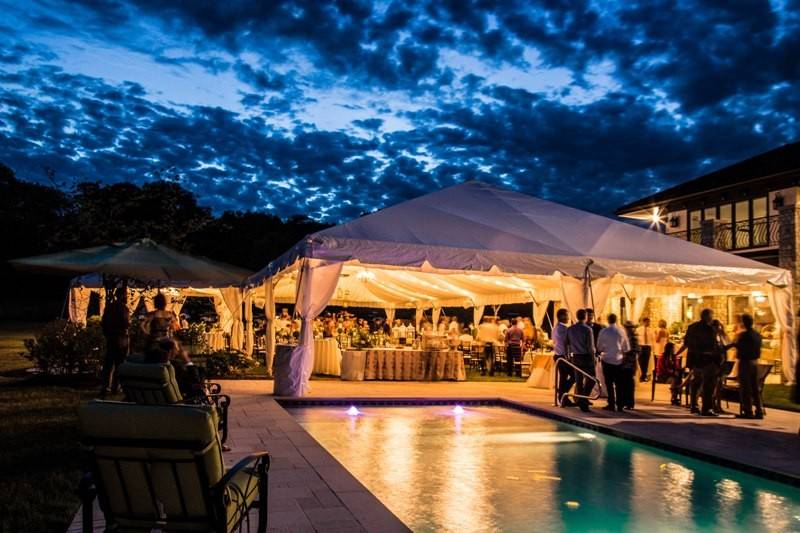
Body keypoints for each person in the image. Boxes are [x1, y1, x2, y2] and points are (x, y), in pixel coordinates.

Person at [683, 309, 720, 416]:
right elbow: (713, 345)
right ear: (708, 317)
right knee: (708, 384)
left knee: (695, 383)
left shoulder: (692, 327)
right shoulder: (710, 329)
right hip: (706, 360)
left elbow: (686, 343)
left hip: (694, 359)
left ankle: (694, 406)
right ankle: (707, 408)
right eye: (711, 316)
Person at [729, 314, 764, 419]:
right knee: (754, 388)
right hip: (755, 362)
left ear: (744, 323)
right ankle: (759, 411)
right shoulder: (757, 335)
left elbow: (738, 346)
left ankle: (748, 411)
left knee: (745, 388)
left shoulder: (744, 335)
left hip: (745, 362)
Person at [100, 286, 131, 397]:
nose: (127, 297)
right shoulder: (123, 309)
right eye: (126, 295)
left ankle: (105, 387)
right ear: (122, 295)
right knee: (119, 364)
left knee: (108, 363)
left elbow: (103, 322)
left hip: (111, 337)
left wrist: (107, 333)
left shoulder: (109, 307)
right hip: (121, 338)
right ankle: (116, 387)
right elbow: (126, 323)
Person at [596, 314, 630, 412]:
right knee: (619, 383)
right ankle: (620, 404)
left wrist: (603, 349)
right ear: (616, 320)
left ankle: (611, 403)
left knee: (609, 383)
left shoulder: (603, 331)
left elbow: (599, 347)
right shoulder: (621, 331)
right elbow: (626, 348)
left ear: (608, 320)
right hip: (619, 359)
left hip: (607, 359)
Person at [566, 309, 596, 412]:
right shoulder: (587, 329)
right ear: (585, 316)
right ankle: (583, 399)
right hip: (586, 357)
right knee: (592, 379)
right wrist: (593, 359)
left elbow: (566, 343)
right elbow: (590, 347)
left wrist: (568, 355)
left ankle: (579, 399)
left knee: (579, 381)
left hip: (576, 357)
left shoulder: (570, 329)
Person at [552, 309, 574, 407]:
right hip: (562, 356)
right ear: (561, 316)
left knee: (563, 377)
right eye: (566, 315)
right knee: (574, 375)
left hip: (558, 355)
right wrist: (568, 357)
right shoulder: (564, 329)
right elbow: (567, 343)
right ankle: (562, 394)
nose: (568, 318)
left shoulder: (556, 327)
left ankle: (562, 396)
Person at [621, 321, 639, 409]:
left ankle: (629, 403)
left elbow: (636, 351)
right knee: (625, 383)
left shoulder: (633, 339)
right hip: (625, 362)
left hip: (629, 363)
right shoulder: (626, 337)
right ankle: (626, 402)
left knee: (628, 383)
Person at [636, 317, 654, 382]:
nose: (648, 323)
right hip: (641, 346)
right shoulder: (638, 330)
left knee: (646, 362)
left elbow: (653, 339)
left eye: (649, 322)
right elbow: (636, 339)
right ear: (643, 322)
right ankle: (641, 376)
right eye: (647, 322)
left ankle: (644, 376)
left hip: (648, 347)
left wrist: (652, 348)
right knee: (640, 361)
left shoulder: (651, 330)